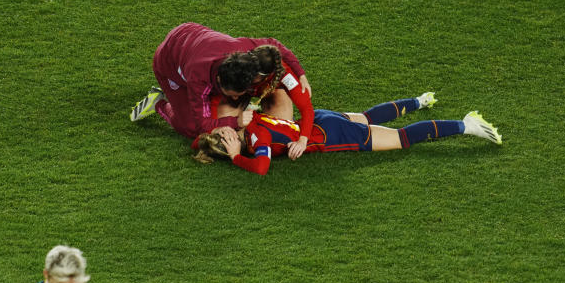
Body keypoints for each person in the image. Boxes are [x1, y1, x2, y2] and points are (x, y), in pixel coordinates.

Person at [193, 92, 503, 175]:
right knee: (368, 117)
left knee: (400, 139)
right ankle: (420, 101)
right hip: (319, 120)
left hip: (330, 135)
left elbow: (261, 167)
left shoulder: (255, 140)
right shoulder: (255, 120)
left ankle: (466, 124)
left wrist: (234, 156)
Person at [129, 22, 311, 139]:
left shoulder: (244, 51)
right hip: (168, 63)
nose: (234, 98)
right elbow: (202, 124)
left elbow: (274, 45)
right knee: (191, 128)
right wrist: (236, 122)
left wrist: (300, 74)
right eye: (233, 95)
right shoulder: (198, 79)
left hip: (194, 34)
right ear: (218, 82)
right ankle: (159, 103)